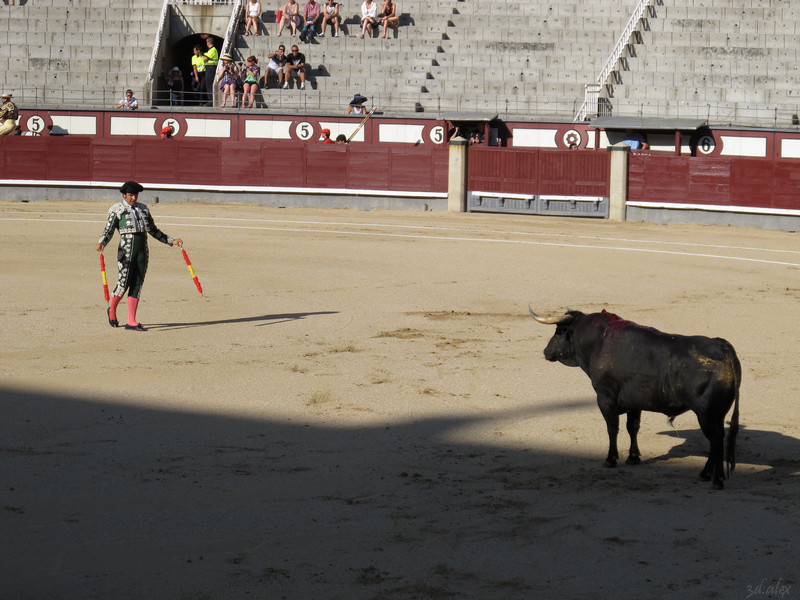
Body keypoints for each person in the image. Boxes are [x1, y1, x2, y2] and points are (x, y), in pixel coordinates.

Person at [95, 181, 183, 332]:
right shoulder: (117, 209)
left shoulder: (143, 209)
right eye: (131, 195)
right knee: (123, 283)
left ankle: (131, 321)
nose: (134, 198)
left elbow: (154, 230)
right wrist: (102, 242)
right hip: (126, 251)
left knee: (137, 284)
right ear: (124, 195)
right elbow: (108, 229)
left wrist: (170, 240)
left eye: (135, 195)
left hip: (143, 250)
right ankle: (112, 310)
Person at [203, 37, 220, 107]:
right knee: (207, 85)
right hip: (209, 68)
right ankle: (210, 100)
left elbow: (205, 59)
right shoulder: (211, 50)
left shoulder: (213, 50)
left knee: (209, 85)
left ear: (208, 42)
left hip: (211, 68)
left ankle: (211, 101)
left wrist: (204, 56)